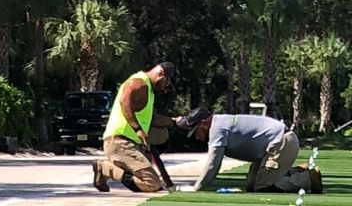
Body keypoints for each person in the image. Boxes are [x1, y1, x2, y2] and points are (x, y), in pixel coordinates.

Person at [93, 63, 179, 193]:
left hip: (130, 143)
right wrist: (138, 129)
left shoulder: (148, 89)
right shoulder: (139, 83)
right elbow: (124, 102)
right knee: (152, 184)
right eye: (167, 83)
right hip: (120, 142)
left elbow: (151, 119)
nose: (165, 88)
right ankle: (105, 168)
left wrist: (174, 121)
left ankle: (114, 168)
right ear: (160, 73)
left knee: (161, 137)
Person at [184, 108, 304, 193]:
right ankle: (294, 173)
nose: (197, 137)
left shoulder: (217, 129)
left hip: (282, 142)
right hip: (272, 147)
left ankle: (306, 179)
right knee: (251, 186)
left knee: (262, 187)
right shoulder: (220, 122)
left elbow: (213, 164)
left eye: (196, 131)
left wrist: (197, 188)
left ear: (204, 123)